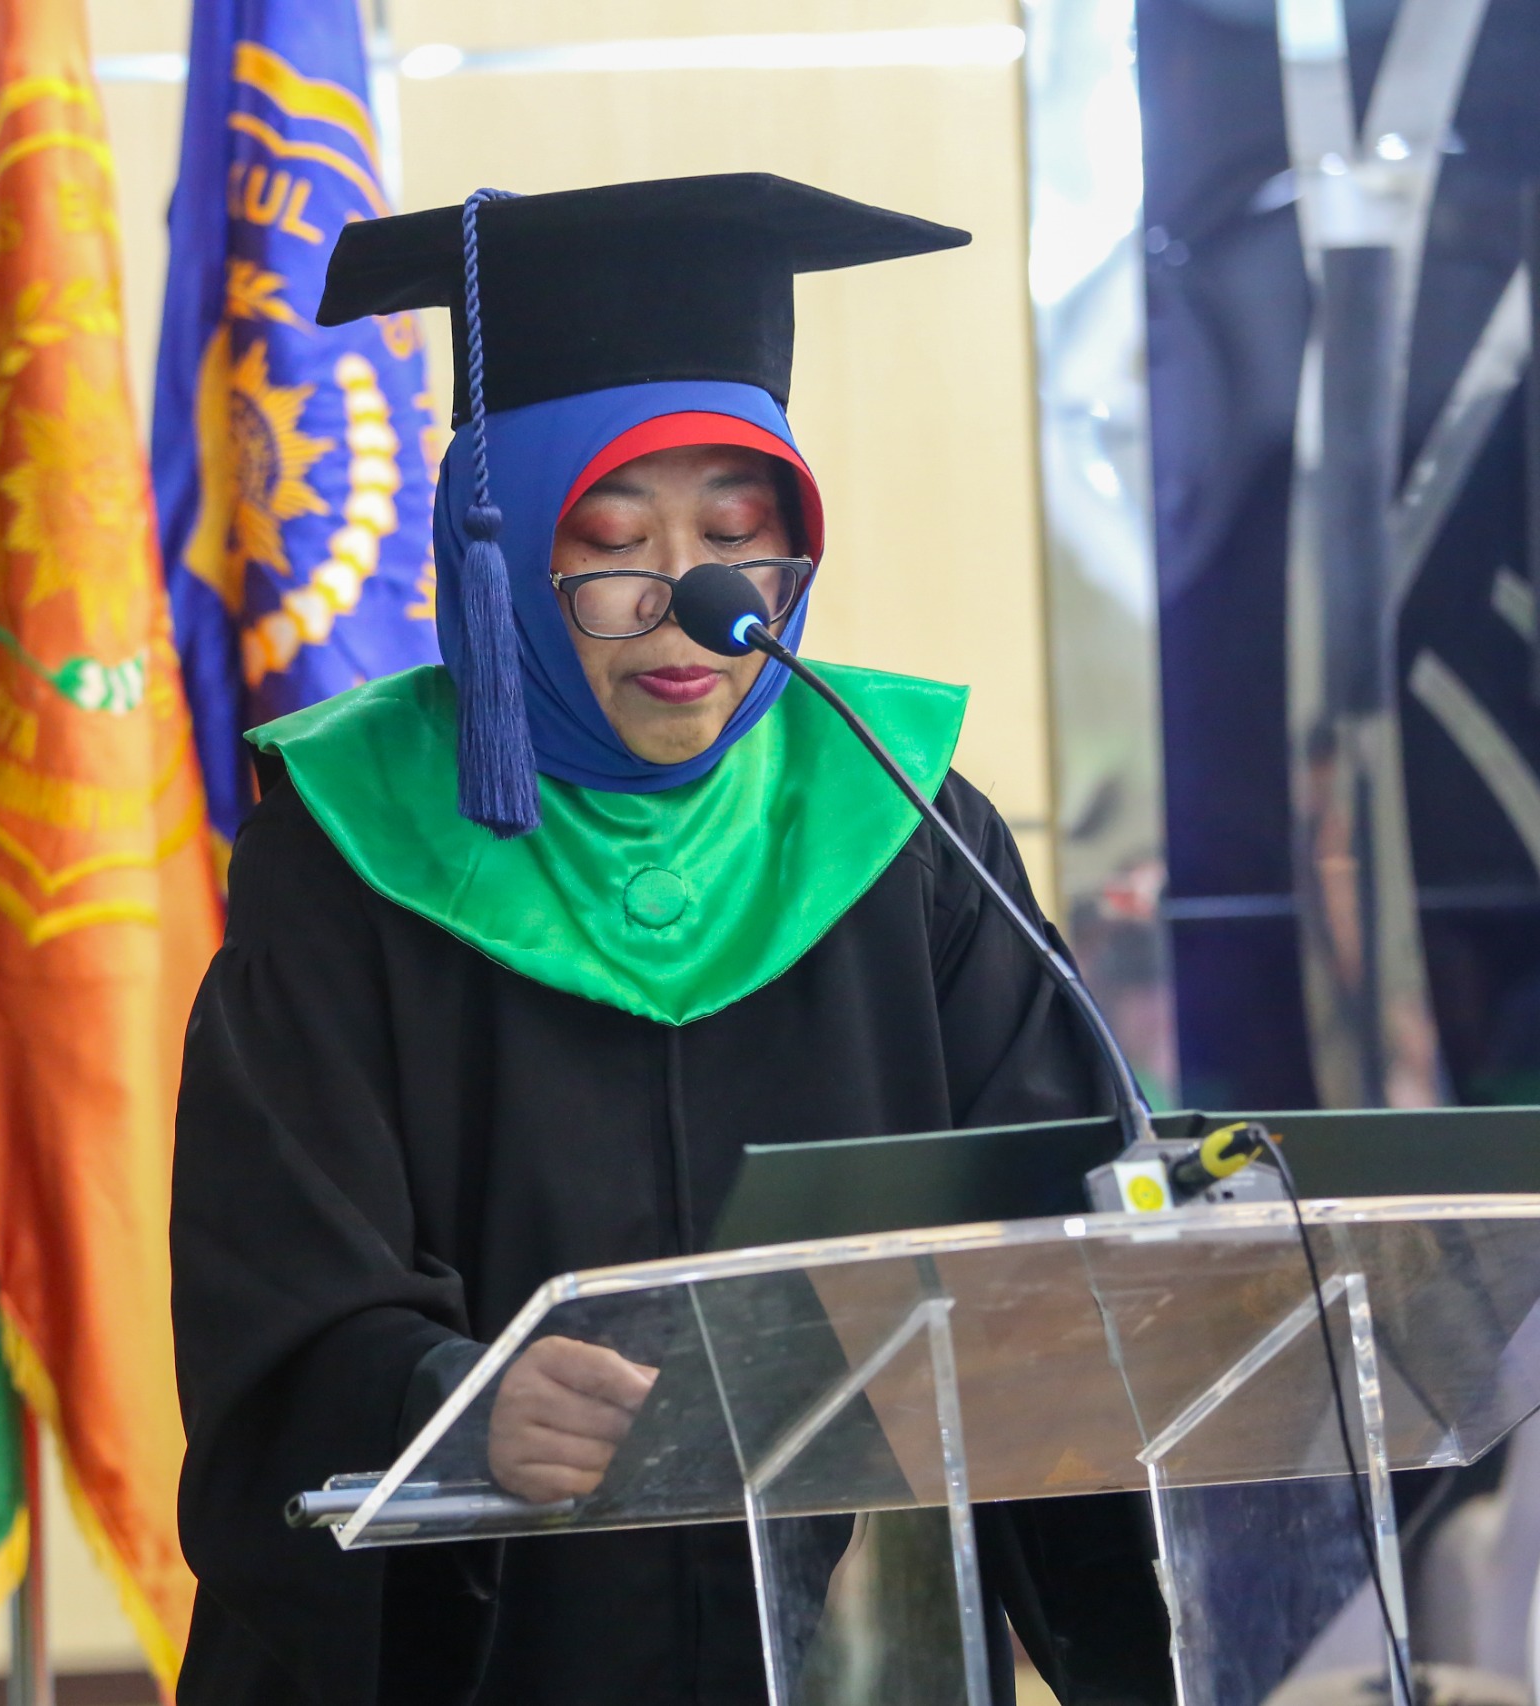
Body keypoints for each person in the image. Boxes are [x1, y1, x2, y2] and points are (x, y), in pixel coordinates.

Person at [170, 174, 1173, 1706]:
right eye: (613, 539)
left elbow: (1053, 1237)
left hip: (854, 1649)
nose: (690, 610)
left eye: (735, 533)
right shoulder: (348, 840)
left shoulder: (898, 813)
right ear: (499, 554)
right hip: (489, 1657)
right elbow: (282, 1272)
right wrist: (449, 1398)